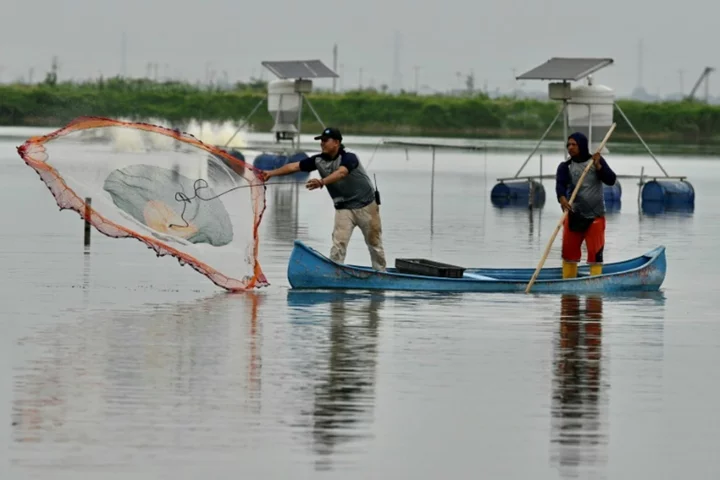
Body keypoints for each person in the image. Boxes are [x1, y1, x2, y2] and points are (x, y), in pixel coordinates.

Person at [262, 127, 387, 271]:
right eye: (321, 141)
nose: (322, 143)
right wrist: (271, 173)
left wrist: (322, 182)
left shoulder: (349, 158)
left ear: (337, 143)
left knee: (374, 244)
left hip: (366, 206)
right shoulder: (318, 160)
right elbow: (294, 167)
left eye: (325, 141)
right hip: (344, 208)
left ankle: (380, 274)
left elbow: (341, 173)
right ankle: (335, 274)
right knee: (338, 245)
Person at [555, 131, 617, 279]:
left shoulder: (595, 161)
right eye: (568, 144)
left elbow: (611, 180)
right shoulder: (565, 166)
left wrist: (599, 166)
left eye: (574, 144)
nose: (570, 147)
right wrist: (562, 198)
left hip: (595, 216)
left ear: (581, 145)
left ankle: (595, 286)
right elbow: (560, 185)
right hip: (573, 215)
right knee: (569, 254)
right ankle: (568, 284)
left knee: (595, 254)